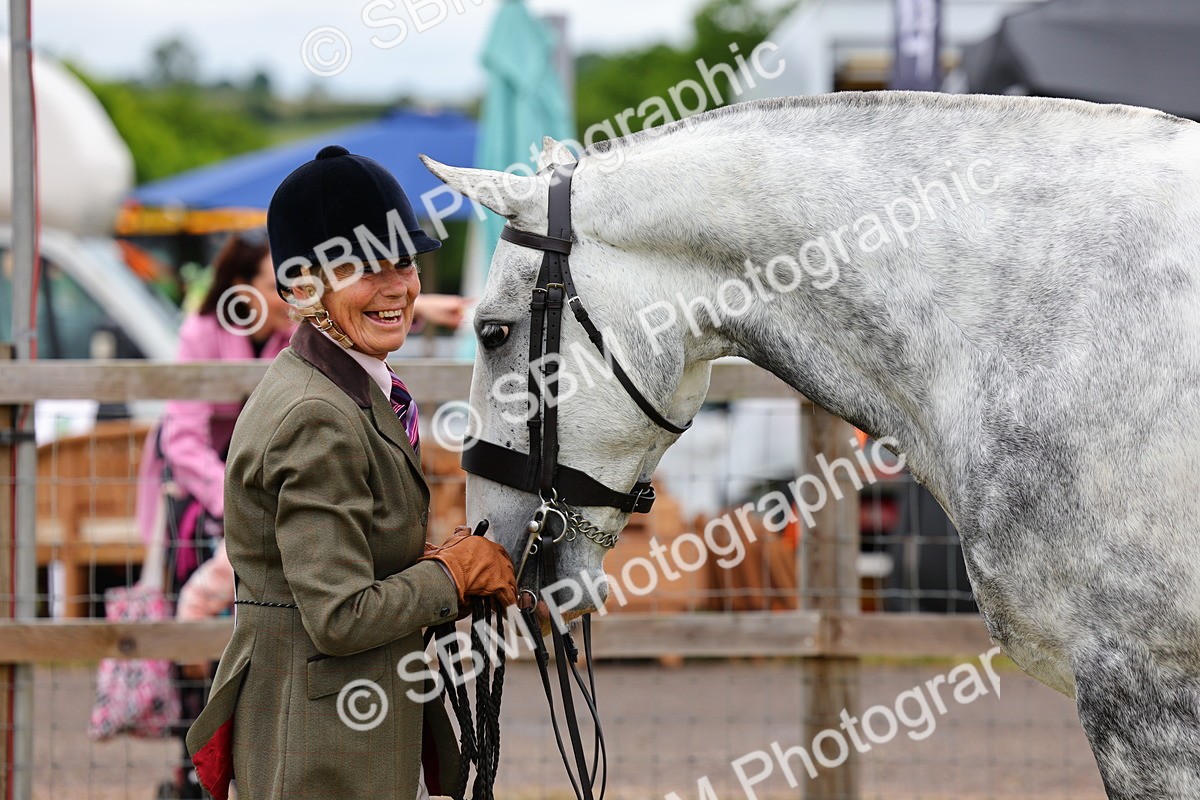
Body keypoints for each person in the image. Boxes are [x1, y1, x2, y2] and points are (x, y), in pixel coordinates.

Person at [185, 145, 517, 800]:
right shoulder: (317, 417)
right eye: (366, 269)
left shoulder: (346, 387)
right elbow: (338, 615)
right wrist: (449, 576)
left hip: (346, 735)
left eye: (404, 262)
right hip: (324, 758)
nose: (397, 287)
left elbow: (341, 562)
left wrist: (427, 562)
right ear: (304, 287)